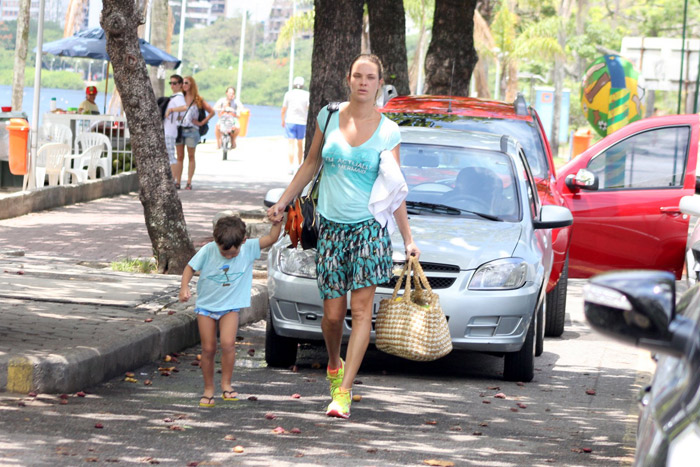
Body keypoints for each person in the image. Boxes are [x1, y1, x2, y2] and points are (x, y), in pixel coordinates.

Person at [267, 54, 420, 419]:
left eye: (370, 77)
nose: (363, 82)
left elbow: (394, 188)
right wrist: (283, 201)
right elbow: (310, 163)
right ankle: (333, 362)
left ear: (379, 83)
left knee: (362, 311)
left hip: (369, 230)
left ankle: (345, 392)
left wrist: (408, 238)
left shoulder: (388, 131)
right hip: (332, 230)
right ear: (347, 79)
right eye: (357, 76)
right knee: (333, 316)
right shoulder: (329, 116)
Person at [179, 214, 283, 408]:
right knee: (208, 348)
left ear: (243, 241)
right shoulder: (208, 250)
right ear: (216, 241)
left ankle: (226, 384)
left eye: (232, 254)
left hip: (230, 307)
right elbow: (189, 268)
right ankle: (208, 389)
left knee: (228, 344)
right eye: (224, 252)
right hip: (206, 307)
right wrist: (184, 287)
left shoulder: (249, 248)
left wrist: (277, 222)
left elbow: (271, 238)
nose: (228, 256)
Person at [168, 76, 215, 190]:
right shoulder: (179, 98)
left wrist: (201, 122)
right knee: (179, 156)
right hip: (179, 130)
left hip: (192, 130)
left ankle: (189, 182)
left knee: (191, 156)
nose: (184, 85)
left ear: (191, 85)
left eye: (186, 83)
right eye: (182, 83)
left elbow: (212, 112)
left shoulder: (198, 99)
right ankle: (177, 181)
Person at [281, 76, 310, 174]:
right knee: (300, 144)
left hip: (290, 120)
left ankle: (290, 166)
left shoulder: (289, 94)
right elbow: (309, 108)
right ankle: (298, 165)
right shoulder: (307, 95)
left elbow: (284, 109)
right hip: (302, 122)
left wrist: (283, 120)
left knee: (291, 144)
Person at [163, 74, 187, 178]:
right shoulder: (174, 97)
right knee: (169, 156)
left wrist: (171, 110)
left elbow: (184, 108)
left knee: (171, 157)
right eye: (171, 83)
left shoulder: (178, 97)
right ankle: (172, 181)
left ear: (180, 85)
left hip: (169, 131)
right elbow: (180, 117)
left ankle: (173, 181)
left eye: (175, 83)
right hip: (168, 130)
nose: (172, 85)